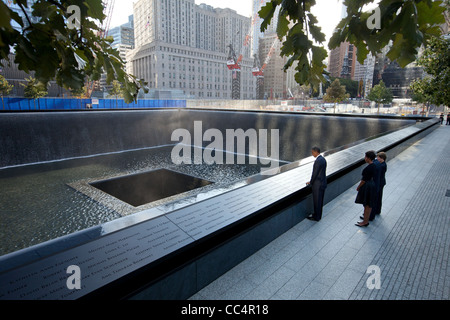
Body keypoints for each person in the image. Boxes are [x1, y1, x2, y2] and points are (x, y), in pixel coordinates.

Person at [355, 151, 377, 227]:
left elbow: (363, 180)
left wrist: (358, 187)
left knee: (367, 205)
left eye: (365, 157)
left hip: (368, 187)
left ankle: (365, 221)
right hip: (372, 185)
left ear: (368, 158)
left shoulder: (368, 168)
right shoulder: (374, 165)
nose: (365, 158)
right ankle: (366, 220)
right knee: (369, 204)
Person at [306, 146, 327, 221]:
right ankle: (318, 215)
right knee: (320, 201)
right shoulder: (323, 159)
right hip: (323, 183)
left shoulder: (318, 161)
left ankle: (316, 217)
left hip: (317, 185)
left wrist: (311, 182)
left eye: (312, 152)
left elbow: (315, 173)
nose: (312, 154)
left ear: (316, 152)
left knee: (317, 201)